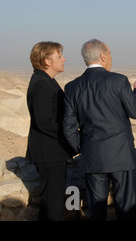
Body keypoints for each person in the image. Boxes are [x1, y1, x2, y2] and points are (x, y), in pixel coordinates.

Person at [63, 39, 136, 221]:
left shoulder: (72, 87)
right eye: (109, 54)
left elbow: (68, 128)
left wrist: (83, 148)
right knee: (127, 209)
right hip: (121, 157)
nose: (111, 58)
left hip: (92, 158)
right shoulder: (118, 81)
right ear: (102, 56)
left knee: (97, 210)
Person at [26, 41, 75, 221]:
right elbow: (44, 121)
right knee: (52, 205)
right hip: (50, 153)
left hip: (52, 153)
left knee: (52, 203)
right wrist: (71, 136)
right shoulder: (42, 84)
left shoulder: (46, 81)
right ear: (47, 60)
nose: (64, 59)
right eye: (59, 56)